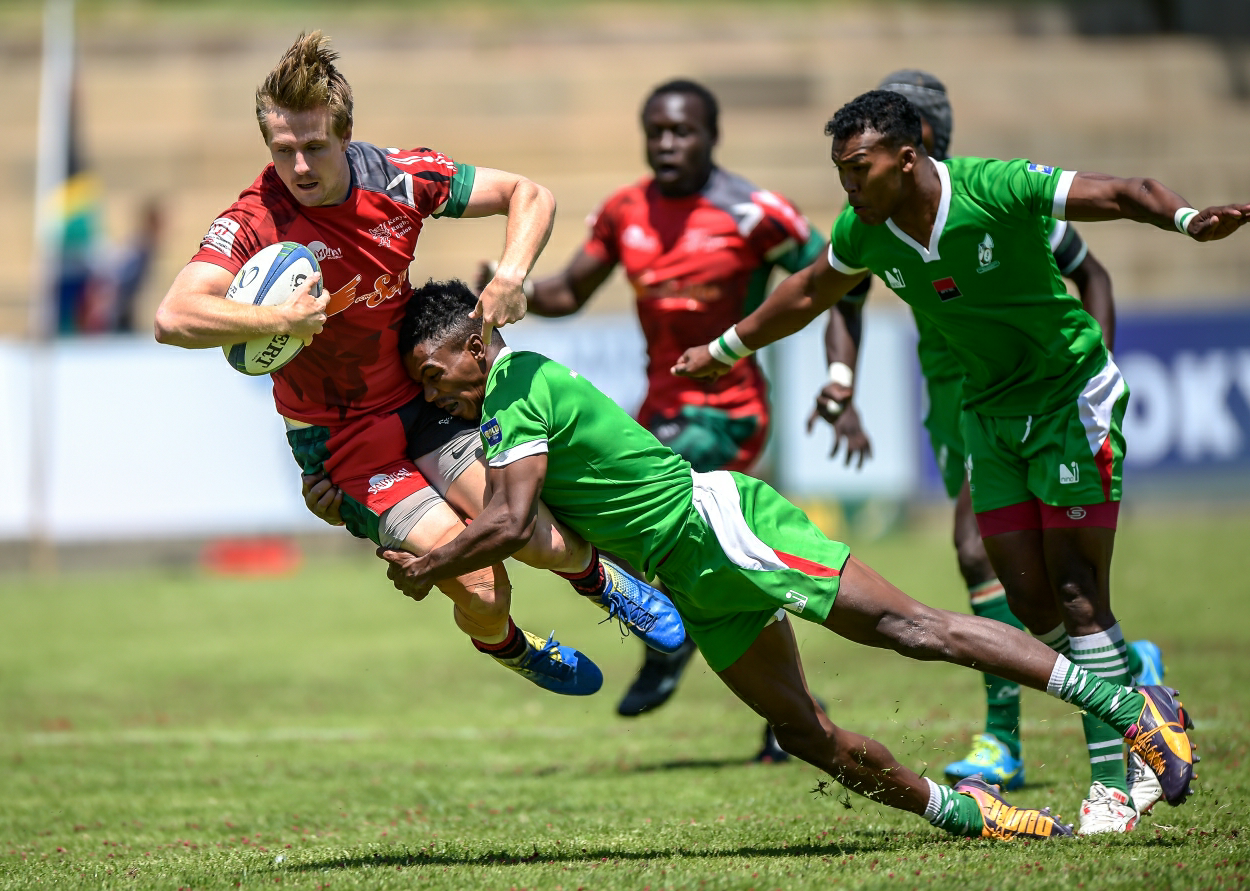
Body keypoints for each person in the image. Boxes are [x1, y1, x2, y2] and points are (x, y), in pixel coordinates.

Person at [381, 277, 1197, 842]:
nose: (434, 393)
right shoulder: (495, 404)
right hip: (688, 578)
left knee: (914, 629)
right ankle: (972, 813)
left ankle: (1131, 710)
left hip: (719, 528)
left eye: (434, 374)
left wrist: (429, 565)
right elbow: (534, 523)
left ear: (476, 344)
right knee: (801, 731)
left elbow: (513, 517)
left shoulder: (517, 382)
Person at [674, 89, 1245, 832]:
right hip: (989, 415)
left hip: (1070, 398)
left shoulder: (995, 187)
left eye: (859, 169)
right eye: (841, 172)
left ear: (908, 157)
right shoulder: (867, 228)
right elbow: (813, 289)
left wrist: (1186, 219)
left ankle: (1114, 782)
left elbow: (1121, 191)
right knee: (1032, 607)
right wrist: (727, 348)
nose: (848, 187)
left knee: (1077, 595)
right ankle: (1142, 697)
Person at [154, 32, 684, 698]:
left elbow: (530, 193)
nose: (300, 166)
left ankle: (607, 586)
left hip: (422, 404)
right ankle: (512, 645)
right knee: (484, 586)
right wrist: (278, 320)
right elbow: (174, 315)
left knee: (533, 535)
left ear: (345, 136)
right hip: (344, 444)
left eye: (315, 146)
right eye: (282, 150)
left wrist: (514, 274)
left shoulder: (400, 179)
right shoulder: (258, 218)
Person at [809, 70, 1165, 832]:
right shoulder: (875, 224)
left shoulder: (996, 201)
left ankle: (1010, 739)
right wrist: (840, 381)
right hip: (959, 400)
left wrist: (1093, 365)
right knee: (1022, 590)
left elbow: (1087, 267)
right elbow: (836, 297)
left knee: (985, 557)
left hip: (1038, 398)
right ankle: (1134, 684)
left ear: (919, 145)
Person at [500, 79, 825, 760]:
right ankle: (793, 711)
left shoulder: (756, 211)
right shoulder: (626, 211)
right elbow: (572, 289)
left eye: (682, 131)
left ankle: (667, 639)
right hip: (659, 412)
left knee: (654, 542)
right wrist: (518, 288)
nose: (667, 143)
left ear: (713, 134)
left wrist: (843, 379)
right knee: (711, 561)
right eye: (656, 131)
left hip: (729, 411)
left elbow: (834, 276)